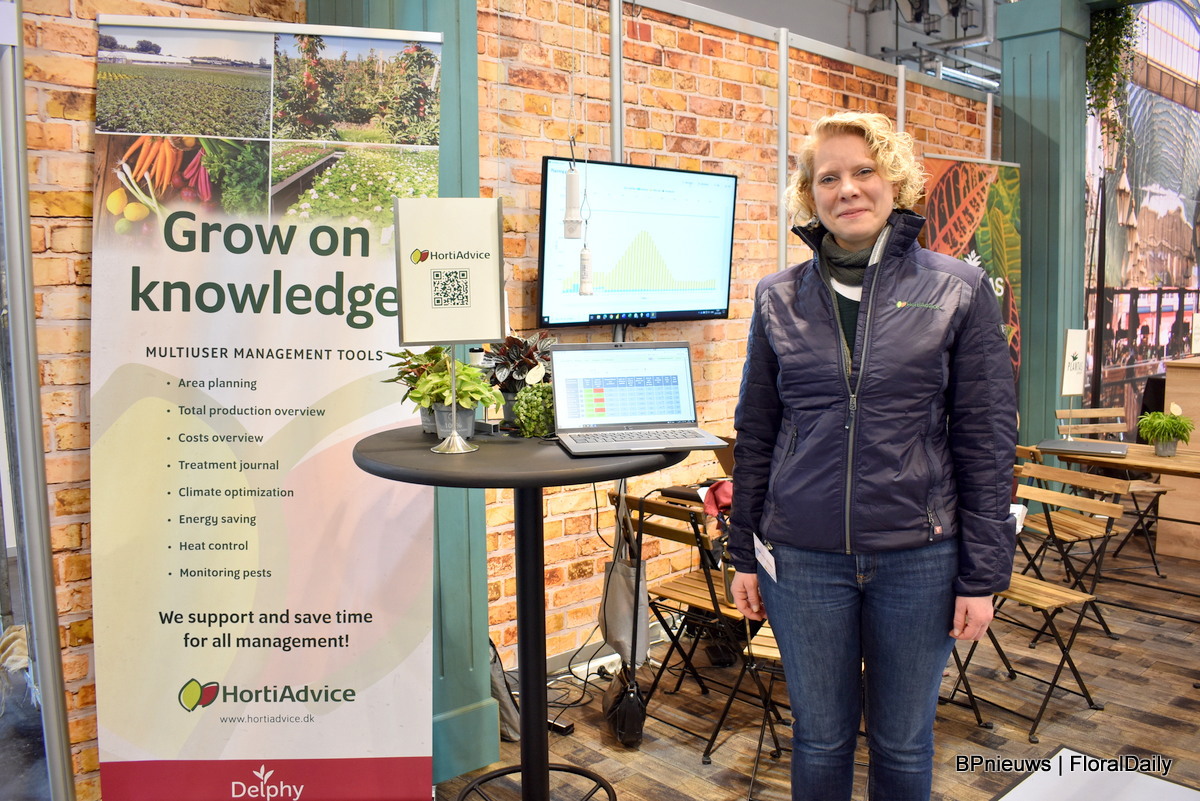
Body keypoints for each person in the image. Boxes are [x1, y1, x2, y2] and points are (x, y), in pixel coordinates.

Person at [726, 111, 1017, 801]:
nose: (848, 189)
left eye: (864, 171)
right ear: (810, 194)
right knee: (819, 738)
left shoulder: (956, 289)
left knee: (904, 741)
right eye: (828, 178)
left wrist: (982, 575)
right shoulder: (778, 297)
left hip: (920, 556)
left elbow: (985, 440)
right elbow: (756, 433)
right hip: (802, 558)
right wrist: (742, 554)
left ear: (896, 181)